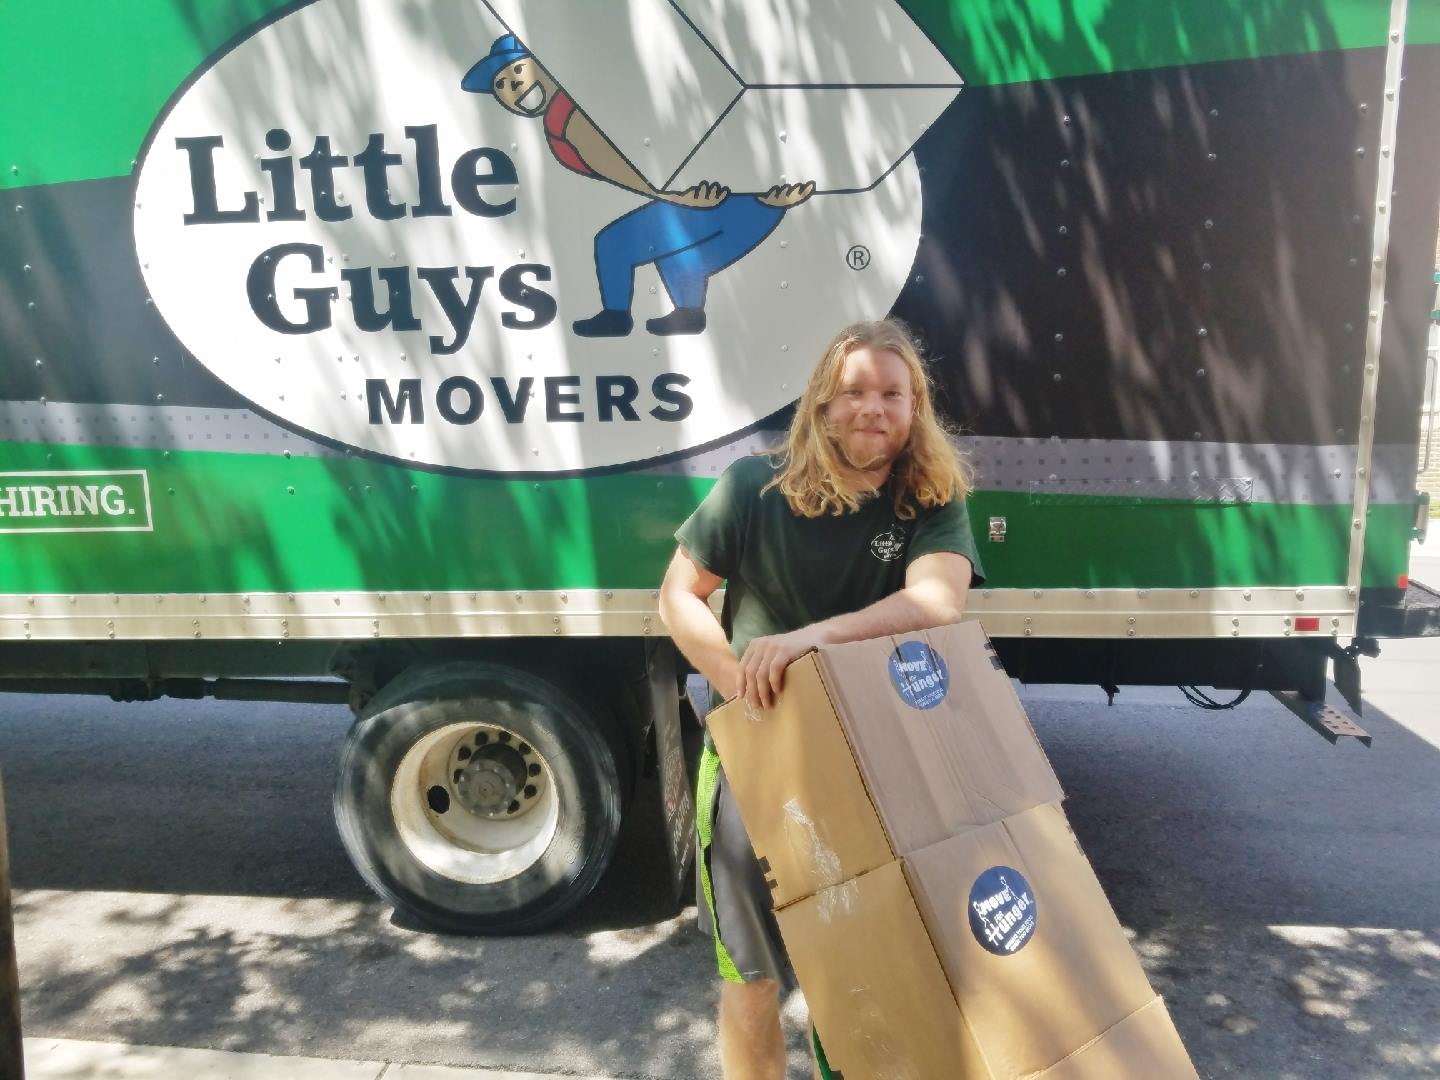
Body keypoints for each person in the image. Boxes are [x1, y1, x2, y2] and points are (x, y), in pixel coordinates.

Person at [658, 318, 985, 1079]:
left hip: (874, 765)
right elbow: (679, 593)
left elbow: (938, 601)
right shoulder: (752, 488)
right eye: (855, 392)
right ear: (822, 407)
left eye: (893, 394)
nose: (874, 408)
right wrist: (737, 681)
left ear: (916, 408)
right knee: (752, 978)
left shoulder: (931, 497)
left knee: (859, 979)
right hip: (755, 765)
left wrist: (812, 640)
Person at [462, 34, 816, 338]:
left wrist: (668, 195)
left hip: (715, 198)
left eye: (518, 71)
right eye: (503, 87)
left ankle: (618, 316)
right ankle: (689, 313)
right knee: (677, 251)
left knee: (614, 243)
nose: (514, 88)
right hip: (708, 197)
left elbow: (613, 161)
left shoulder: (572, 110)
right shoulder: (562, 111)